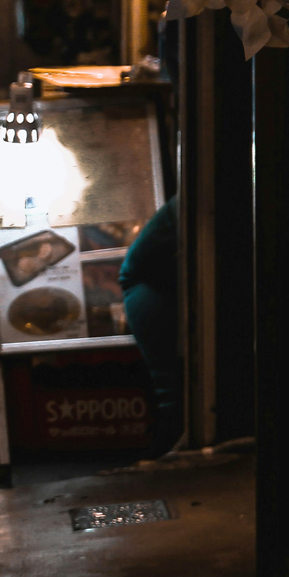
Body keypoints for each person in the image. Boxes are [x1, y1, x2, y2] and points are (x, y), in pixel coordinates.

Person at [119, 193, 181, 457]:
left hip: (151, 283)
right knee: (171, 389)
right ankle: (167, 453)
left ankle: (167, 450)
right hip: (147, 285)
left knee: (171, 388)